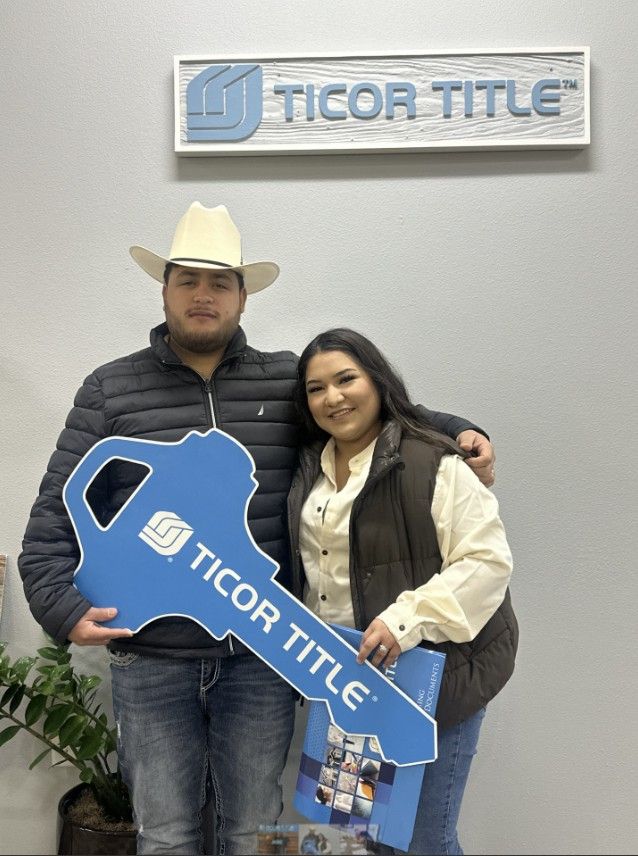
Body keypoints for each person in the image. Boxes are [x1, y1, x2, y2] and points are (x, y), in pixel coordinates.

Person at [18, 203, 496, 855]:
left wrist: (460, 430)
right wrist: (61, 607)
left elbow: (369, 409)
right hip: (151, 659)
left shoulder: (285, 380)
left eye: (219, 282)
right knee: (164, 835)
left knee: (252, 830)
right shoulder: (110, 390)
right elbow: (51, 519)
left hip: (262, 661)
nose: (203, 295)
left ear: (243, 296)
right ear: (164, 290)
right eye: (187, 279)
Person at [287, 329, 518, 856]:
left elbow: (486, 562)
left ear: (377, 380)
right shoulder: (310, 467)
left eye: (346, 379)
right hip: (350, 687)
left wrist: (404, 621)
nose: (333, 397)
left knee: (423, 840)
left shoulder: (433, 461)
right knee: (366, 837)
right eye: (316, 388)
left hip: (433, 682)